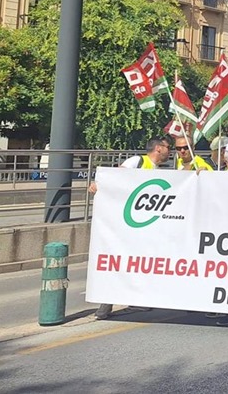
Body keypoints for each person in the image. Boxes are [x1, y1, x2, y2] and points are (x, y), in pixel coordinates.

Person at [90, 137, 171, 320]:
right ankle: (105, 305)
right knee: (117, 260)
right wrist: (99, 185)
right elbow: (116, 176)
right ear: (158, 148)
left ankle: (138, 300)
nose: (170, 150)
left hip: (143, 226)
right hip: (126, 223)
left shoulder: (159, 170)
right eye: (167, 147)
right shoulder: (138, 161)